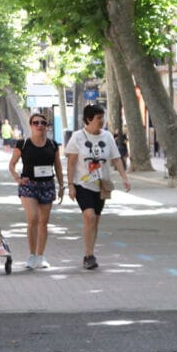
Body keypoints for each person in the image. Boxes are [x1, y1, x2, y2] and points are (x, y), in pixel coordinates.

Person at [65, 104, 130, 271]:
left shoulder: (107, 136)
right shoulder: (78, 137)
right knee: (89, 217)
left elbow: (116, 159)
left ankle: (91, 252)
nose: (102, 121)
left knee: (95, 221)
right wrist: (70, 185)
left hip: (101, 185)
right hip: (82, 184)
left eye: (103, 117)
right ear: (89, 119)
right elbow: (71, 162)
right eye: (99, 118)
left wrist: (124, 178)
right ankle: (88, 255)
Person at [7, 111, 63, 270]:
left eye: (43, 123)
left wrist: (62, 186)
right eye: (36, 123)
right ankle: (31, 255)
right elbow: (12, 164)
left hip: (47, 185)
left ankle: (40, 256)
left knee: (43, 222)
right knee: (33, 218)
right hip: (29, 184)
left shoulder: (53, 144)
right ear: (31, 126)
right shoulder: (23, 143)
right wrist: (18, 178)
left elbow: (58, 166)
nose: (39, 125)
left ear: (47, 126)